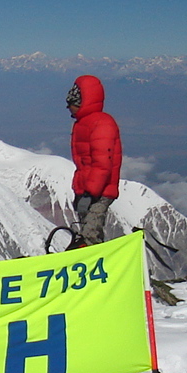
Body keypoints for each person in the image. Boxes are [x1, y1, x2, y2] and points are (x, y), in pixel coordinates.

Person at [67, 74, 122, 247]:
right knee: (89, 230)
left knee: (90, 233)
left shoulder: (100, 123)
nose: (69, 108)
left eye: (72, 104)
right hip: (89, 189)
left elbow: (102, 163)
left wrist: (90, 193)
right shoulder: (88, 122)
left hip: (99, 191)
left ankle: (95, 267)